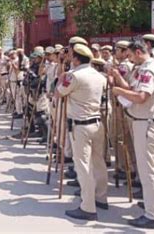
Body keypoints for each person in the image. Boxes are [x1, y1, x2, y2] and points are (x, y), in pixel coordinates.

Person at [112, 41, 154, 229]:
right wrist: (118, 79)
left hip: (147, 123)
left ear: (138, 52)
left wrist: (119, 91)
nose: (129, 59)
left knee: (147, 169)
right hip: (147, 122)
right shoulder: (144, 68)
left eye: (130, 56)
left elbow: (141, 97)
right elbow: (134, 89)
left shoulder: (149, 70)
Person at [56, 43, 108, 221]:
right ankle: (101, 197)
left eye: (71, 55)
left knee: (83, 166)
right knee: (98, 162)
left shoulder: (74, 76)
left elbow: (59, 92)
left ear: (76, 58)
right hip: (97, 122)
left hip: (80, 125)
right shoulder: (98, 75)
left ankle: (88, 206)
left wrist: (63, 73)